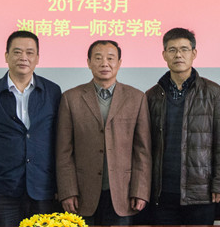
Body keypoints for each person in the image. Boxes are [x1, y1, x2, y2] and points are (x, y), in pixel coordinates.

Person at [0, 31, 61, 226]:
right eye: (17, 52)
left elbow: (59, 141)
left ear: (38, 58)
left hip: (42, 190)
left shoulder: (52, 92)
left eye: (30, 52)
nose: (23, 58)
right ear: (6, 56)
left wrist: (57, 184)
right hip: (1, 191)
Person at [56, 40, 152, 225]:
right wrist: (68, 191)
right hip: (82, 193)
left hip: (123, 193)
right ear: (89, 62)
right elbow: (64, 151)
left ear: (119, 63)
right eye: (98, 58)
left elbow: (143, 150)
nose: (104, 63)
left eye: (110, 58)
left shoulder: (136, 98)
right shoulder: (71, 98)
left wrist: (140, 190)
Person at [145, 27, 220, 225]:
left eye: (184, 49)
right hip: (162, 192)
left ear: (194, 53)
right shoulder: (152, 95)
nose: (178, 55)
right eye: (172, 50)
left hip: (200, 191)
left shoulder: (213, 92)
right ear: (164, 55)